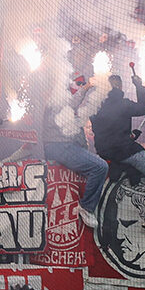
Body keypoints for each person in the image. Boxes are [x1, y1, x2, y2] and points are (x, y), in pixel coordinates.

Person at [90, 72, 145, 232]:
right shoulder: (122, 103)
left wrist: (128, 136)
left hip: (105, 151)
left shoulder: (96, 105)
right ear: (118, 86)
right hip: (124, 151)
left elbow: (105, 131)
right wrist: (140, 86)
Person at [45, 74, 107, 229]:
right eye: (78, 84)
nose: (79, 86)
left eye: (81, 84)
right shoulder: (57, 99)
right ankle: (86, 207)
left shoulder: (68, 105)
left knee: (97, 163)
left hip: (64, 146)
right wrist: (86, 88)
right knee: (100, 166)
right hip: (58, 146)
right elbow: (71, 104)